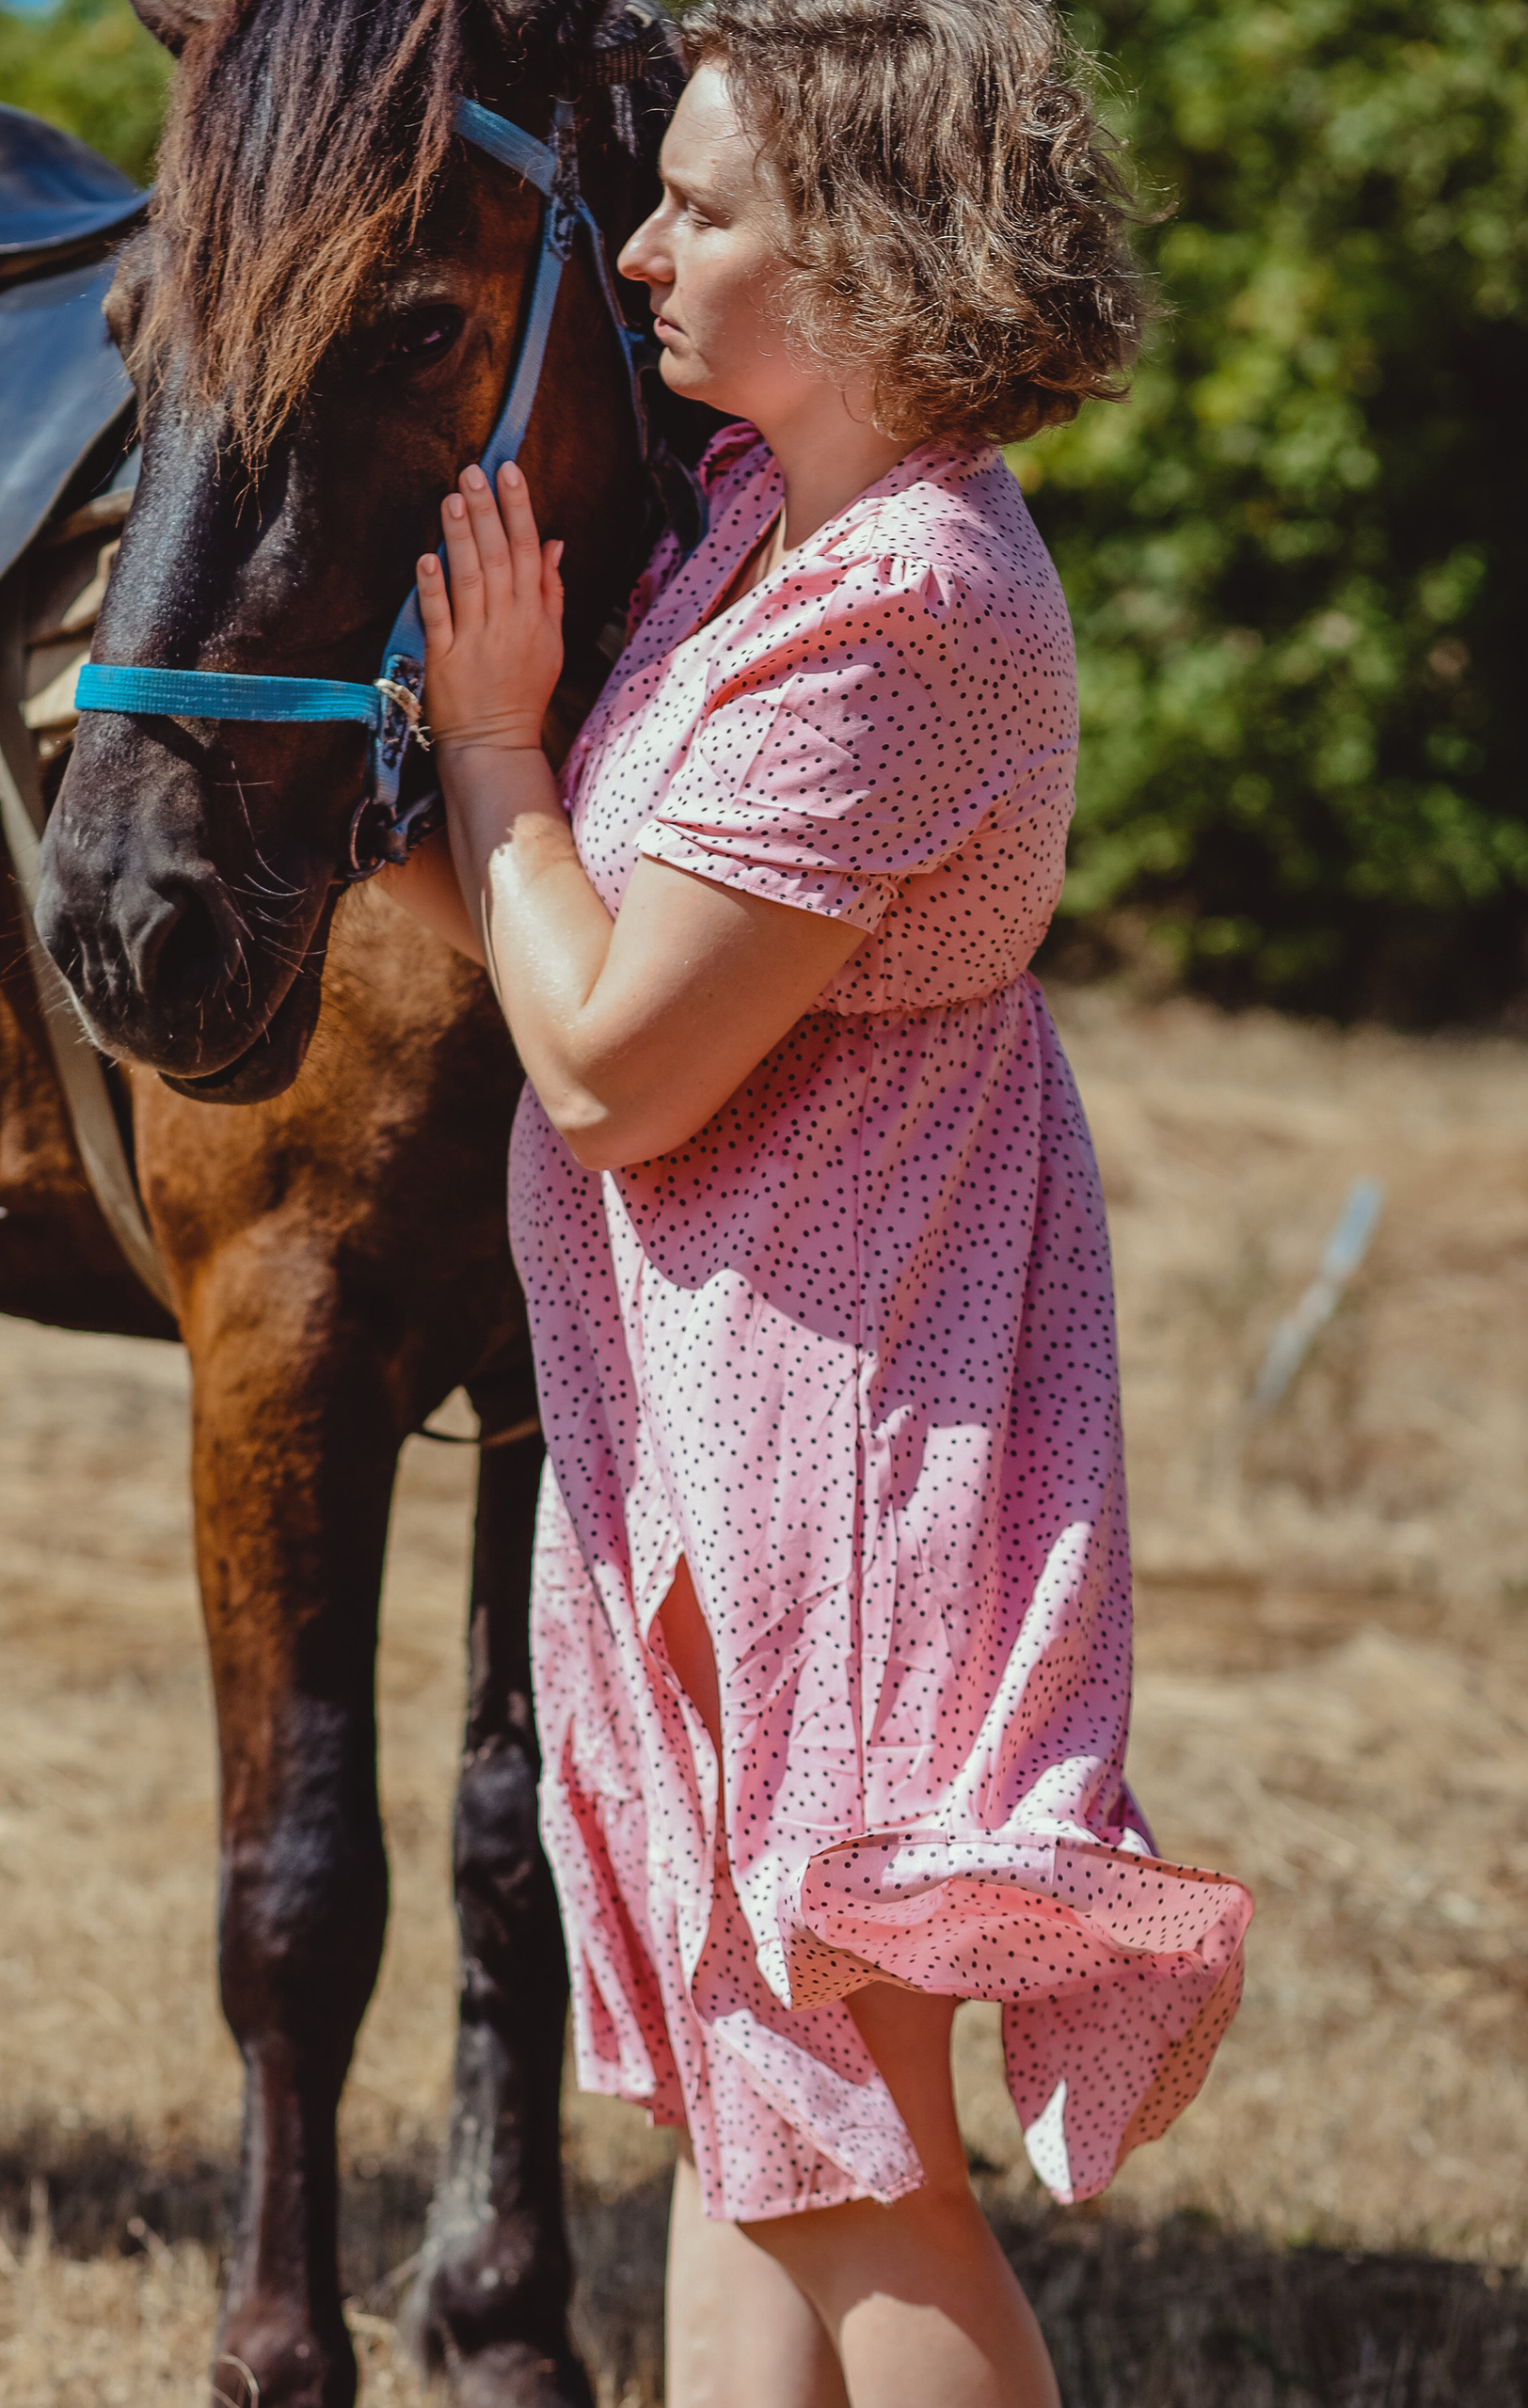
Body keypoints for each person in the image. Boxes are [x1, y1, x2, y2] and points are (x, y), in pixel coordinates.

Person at [378, 3, 1253, 2400]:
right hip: (715, 1415)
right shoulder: (772, 540)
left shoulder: (914, 607)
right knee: (752, 2114)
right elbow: (599, 949)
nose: (640, 244)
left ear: (868, 252)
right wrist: (410, 814)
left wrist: (479, 744)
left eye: (706, 205)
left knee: (862, 2161)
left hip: (839, 1444)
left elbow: (602, 1066)